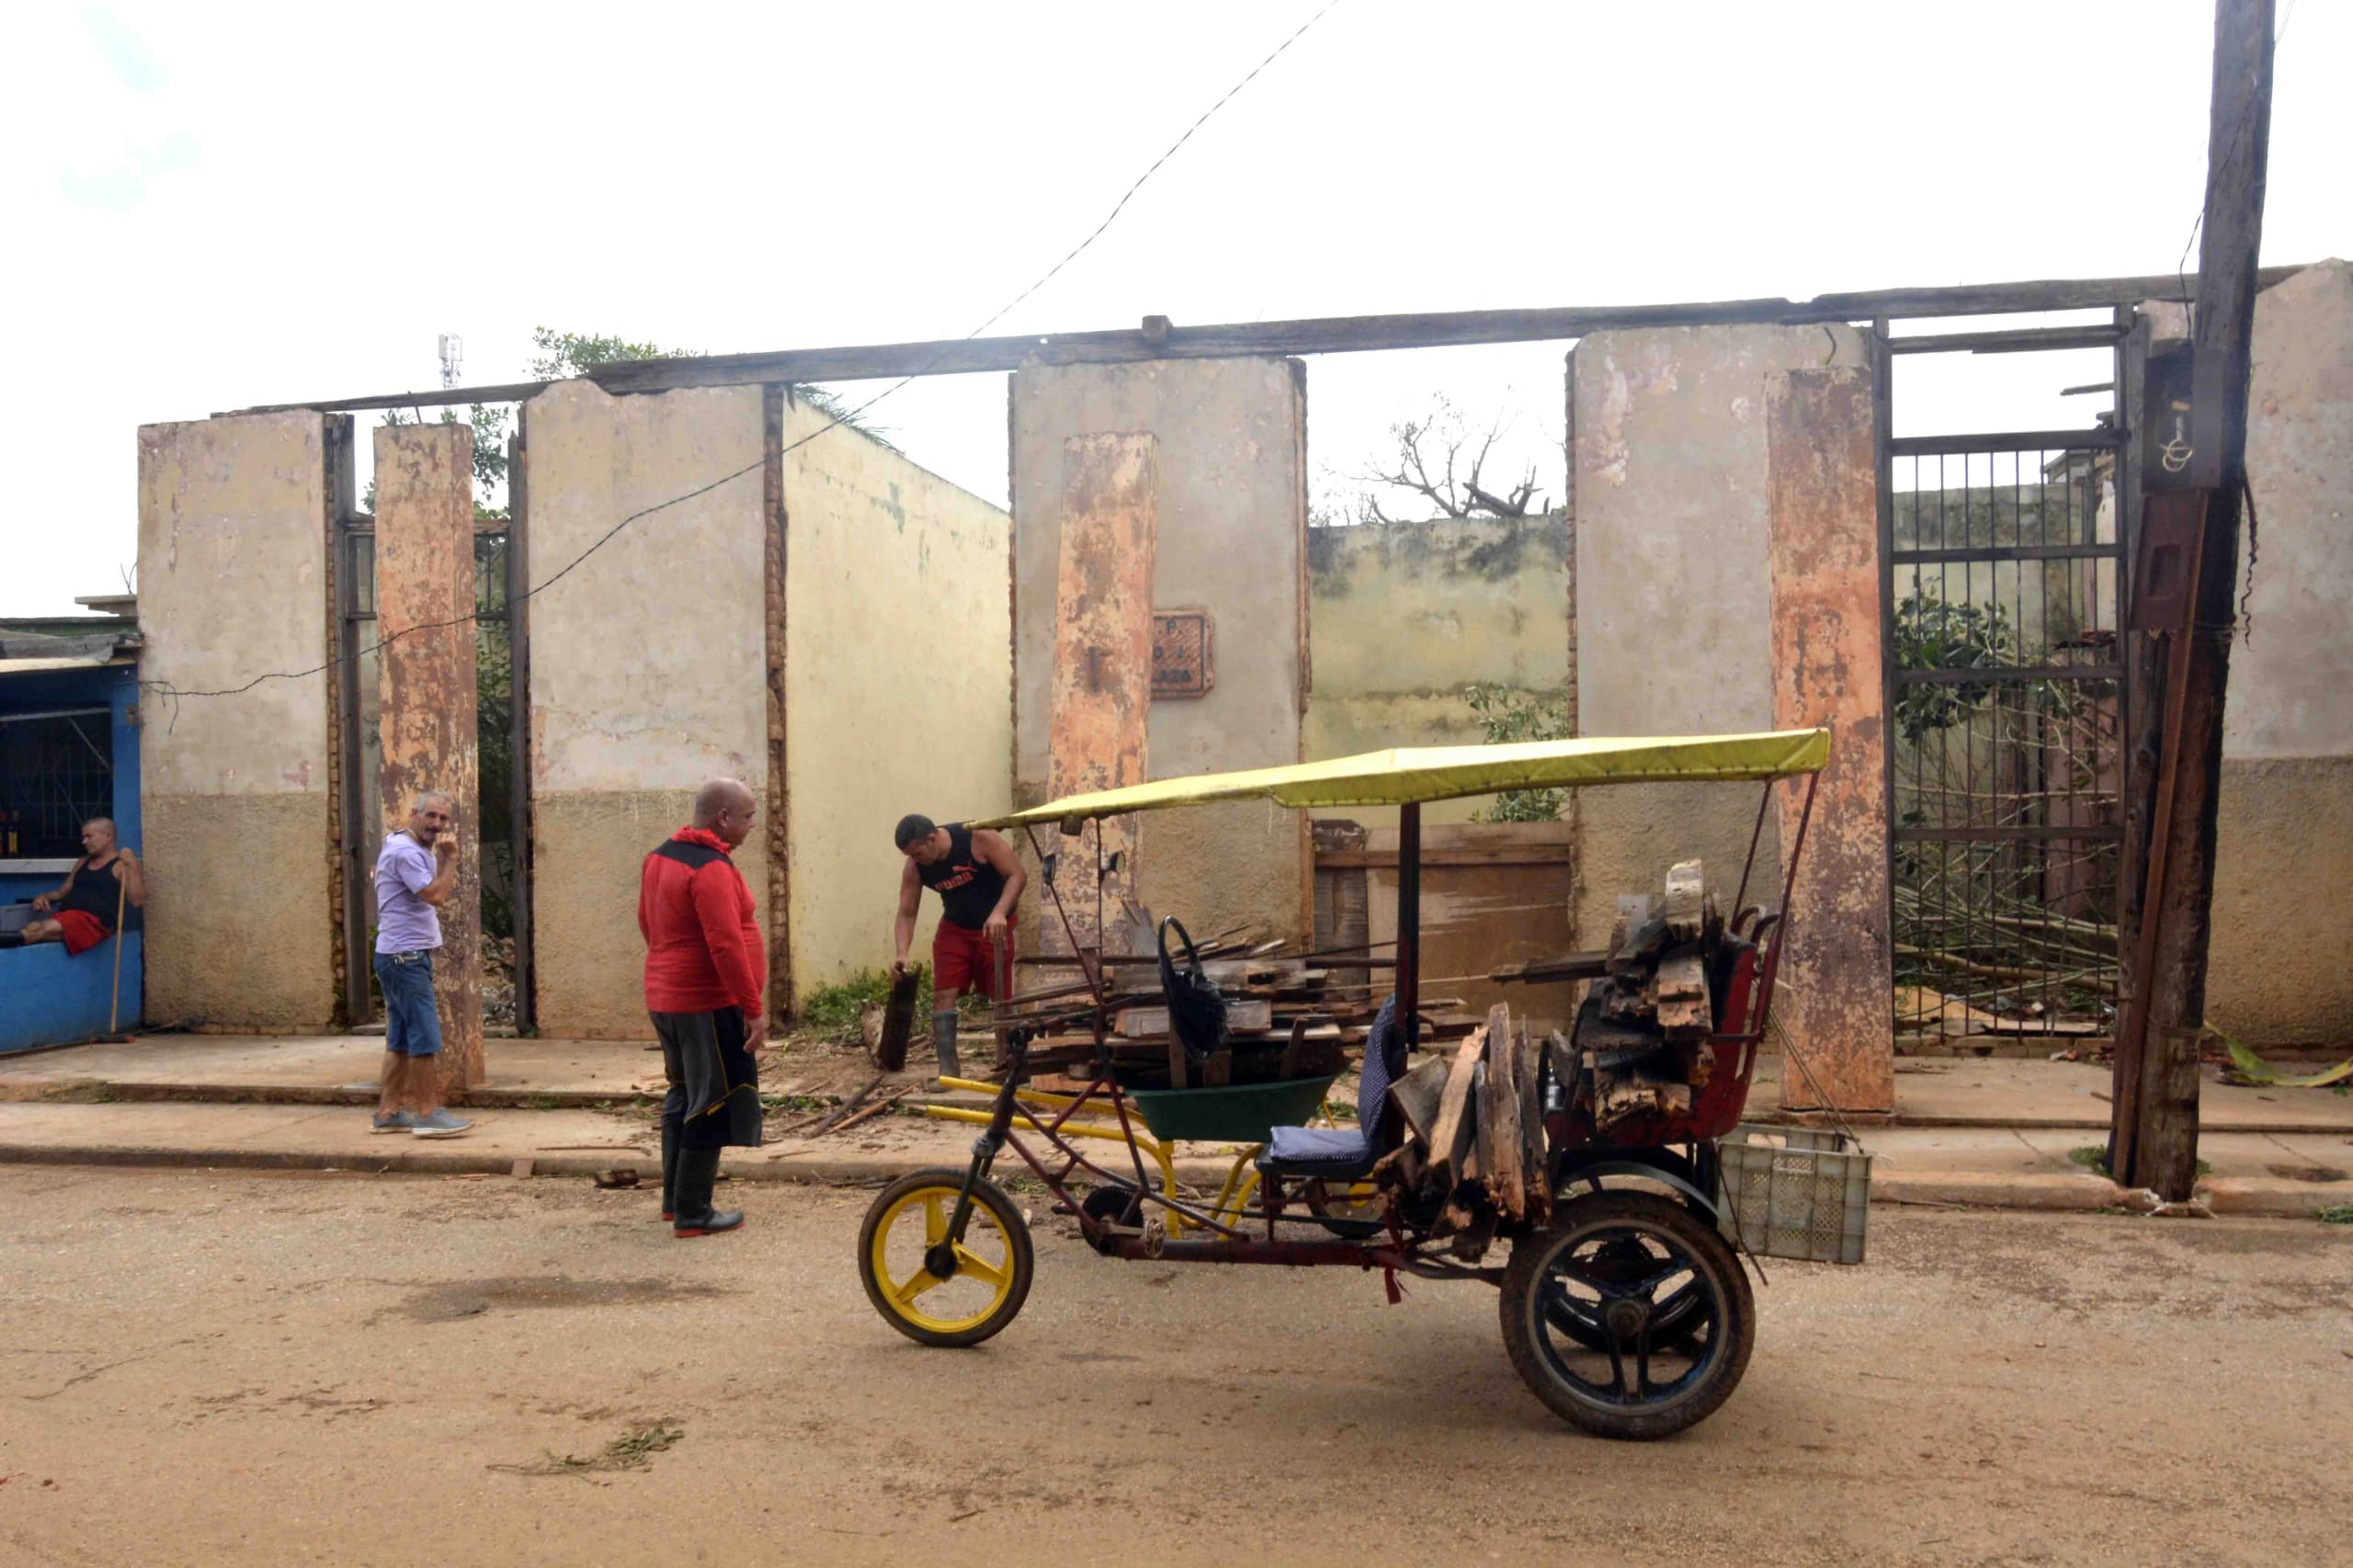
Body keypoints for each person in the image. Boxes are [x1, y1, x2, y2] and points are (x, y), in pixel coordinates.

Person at [639, 778, 767, 1238]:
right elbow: (725, 945)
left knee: (682, 1092)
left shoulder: (660, 856)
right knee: (710, 1100)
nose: (752, 825)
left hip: (667, 997)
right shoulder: (710, 868)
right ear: (723, 818)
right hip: (705, 1001)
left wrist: (669, 969)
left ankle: (676, 1200)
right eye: (748, 817)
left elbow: (646, 922)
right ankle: (694, 1212)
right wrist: (753, 1007)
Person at [892, 813, 1026, 1084]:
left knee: (1003, 998)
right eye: (910, 856)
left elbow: (1018, 875)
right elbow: (907, 911)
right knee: (943, 994)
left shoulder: (978, 838)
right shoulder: (915, 867)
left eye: (917, 853)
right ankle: (949, 1071)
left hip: (995, 927)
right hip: (955, 929)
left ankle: (1010, 1066)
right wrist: (902, 953)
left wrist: (999, 912)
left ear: (932, 839)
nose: (915, 860)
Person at [370, 790, 472, 1139]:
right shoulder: (407, 853)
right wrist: (451, 859)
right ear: (414, 814)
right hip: (405, 958)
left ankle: (388, 1112)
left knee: (400, 1039)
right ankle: (428, 1113)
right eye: (431, 816)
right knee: (423, 1036)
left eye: (443, 818)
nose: (437, 824)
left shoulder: (406, 846)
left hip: (399, 956)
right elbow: (436, 896)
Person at [22, 817, 144, 954]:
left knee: (37, 929)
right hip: (68, 918)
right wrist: (44, 896)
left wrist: (133, 865)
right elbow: (62, 893)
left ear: (108, 836)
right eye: (84, 837)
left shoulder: (121, 865)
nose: (84, 842)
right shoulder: (83, 861)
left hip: (93, 924)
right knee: (35, 930)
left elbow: (137, 901)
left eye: (89, 836)